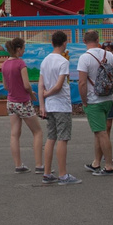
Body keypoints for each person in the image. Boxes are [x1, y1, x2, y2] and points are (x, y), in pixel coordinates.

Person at [77, 29, 113, 175]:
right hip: (108, 98)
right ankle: (96, 162)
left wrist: (84, 101)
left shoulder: (84, 58)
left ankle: (109, 165)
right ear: (98, 40)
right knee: (99, 132)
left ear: (84, 41)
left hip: (94, 100)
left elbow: (81, 83)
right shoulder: (109, 54)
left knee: (102, 132)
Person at [38, 30, 80, 185]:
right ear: (65, 43)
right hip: (61, 104)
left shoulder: (45, 61)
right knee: (63, 138)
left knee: (51, 138)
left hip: (49, 106)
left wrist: (42, 103)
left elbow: (41, 84)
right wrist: (48, 94)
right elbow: (59, 85)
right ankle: (63, 174)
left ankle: (47, 173)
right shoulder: (63, 62)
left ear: (51, 43)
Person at [1, 37, 45, 173]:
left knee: (14, 134)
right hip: (23, 102)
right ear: (18, 49)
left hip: (11, 102)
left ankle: (18, 165)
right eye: (24, 48)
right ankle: (39, 165)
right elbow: (26, 85)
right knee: (37, 132)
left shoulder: (4, 64)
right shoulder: (21, 64)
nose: (24, 51)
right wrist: (32, 95)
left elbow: (5, 86)